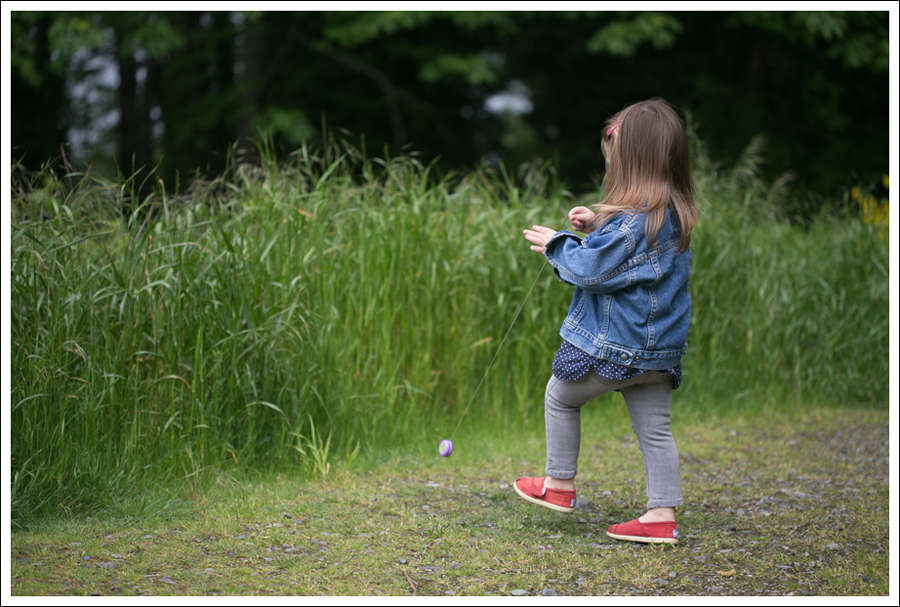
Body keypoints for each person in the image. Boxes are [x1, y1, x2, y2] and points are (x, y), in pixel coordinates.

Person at [517, 98, 697, 545]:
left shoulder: (630, 225)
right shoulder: (674, 215)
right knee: (656, 429)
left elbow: (593, 270)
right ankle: (661, 514)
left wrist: (560, 245)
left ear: (630, 164)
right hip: (660, 353)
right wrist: (597, 222)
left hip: (617, 347)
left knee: (560, 397)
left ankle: (558, 485)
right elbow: (633, 254)